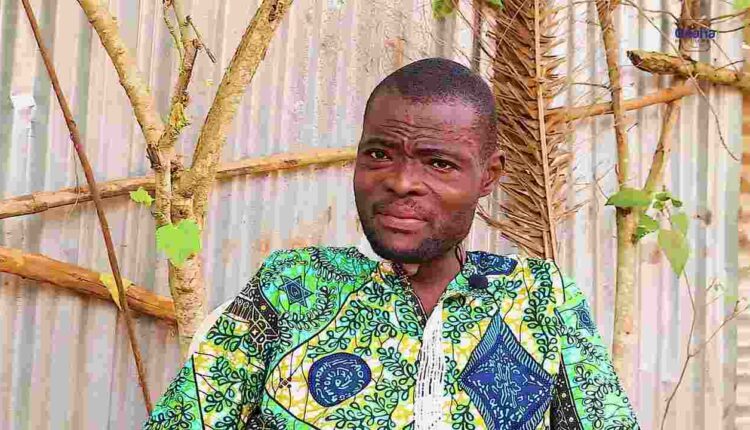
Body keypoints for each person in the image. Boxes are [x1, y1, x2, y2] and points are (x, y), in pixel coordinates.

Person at [143, 58, 640, 429]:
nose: (401, 182)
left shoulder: (540, 298)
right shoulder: (293, 286)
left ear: (488, 176)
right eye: (379, 154)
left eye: (438, 163)